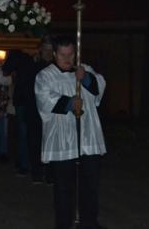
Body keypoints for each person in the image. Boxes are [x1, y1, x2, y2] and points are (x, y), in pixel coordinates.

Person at [35, 35, 107, 229]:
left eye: (71, 54)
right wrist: (68, 103)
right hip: (62, 139)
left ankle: (88, 223)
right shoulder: (45, 76)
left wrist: (86, 79)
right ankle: (64, 224)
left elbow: (100, 87)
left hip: (87, 136)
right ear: (54, 54)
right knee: (64, 187)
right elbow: (44, 100)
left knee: (90, 184)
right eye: (62, 55)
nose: (67, 59)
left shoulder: (84, 70)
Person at [3, 38, 53, 182]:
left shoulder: (55, 67)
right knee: (32, 140)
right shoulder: (31, 65)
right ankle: (34, 171)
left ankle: (48, 172)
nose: (48, 53)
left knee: (48, 141)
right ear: (40, 50)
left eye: (50, 50)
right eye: (46, 50)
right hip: (33, 109)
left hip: (51, 111)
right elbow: (26, 88)